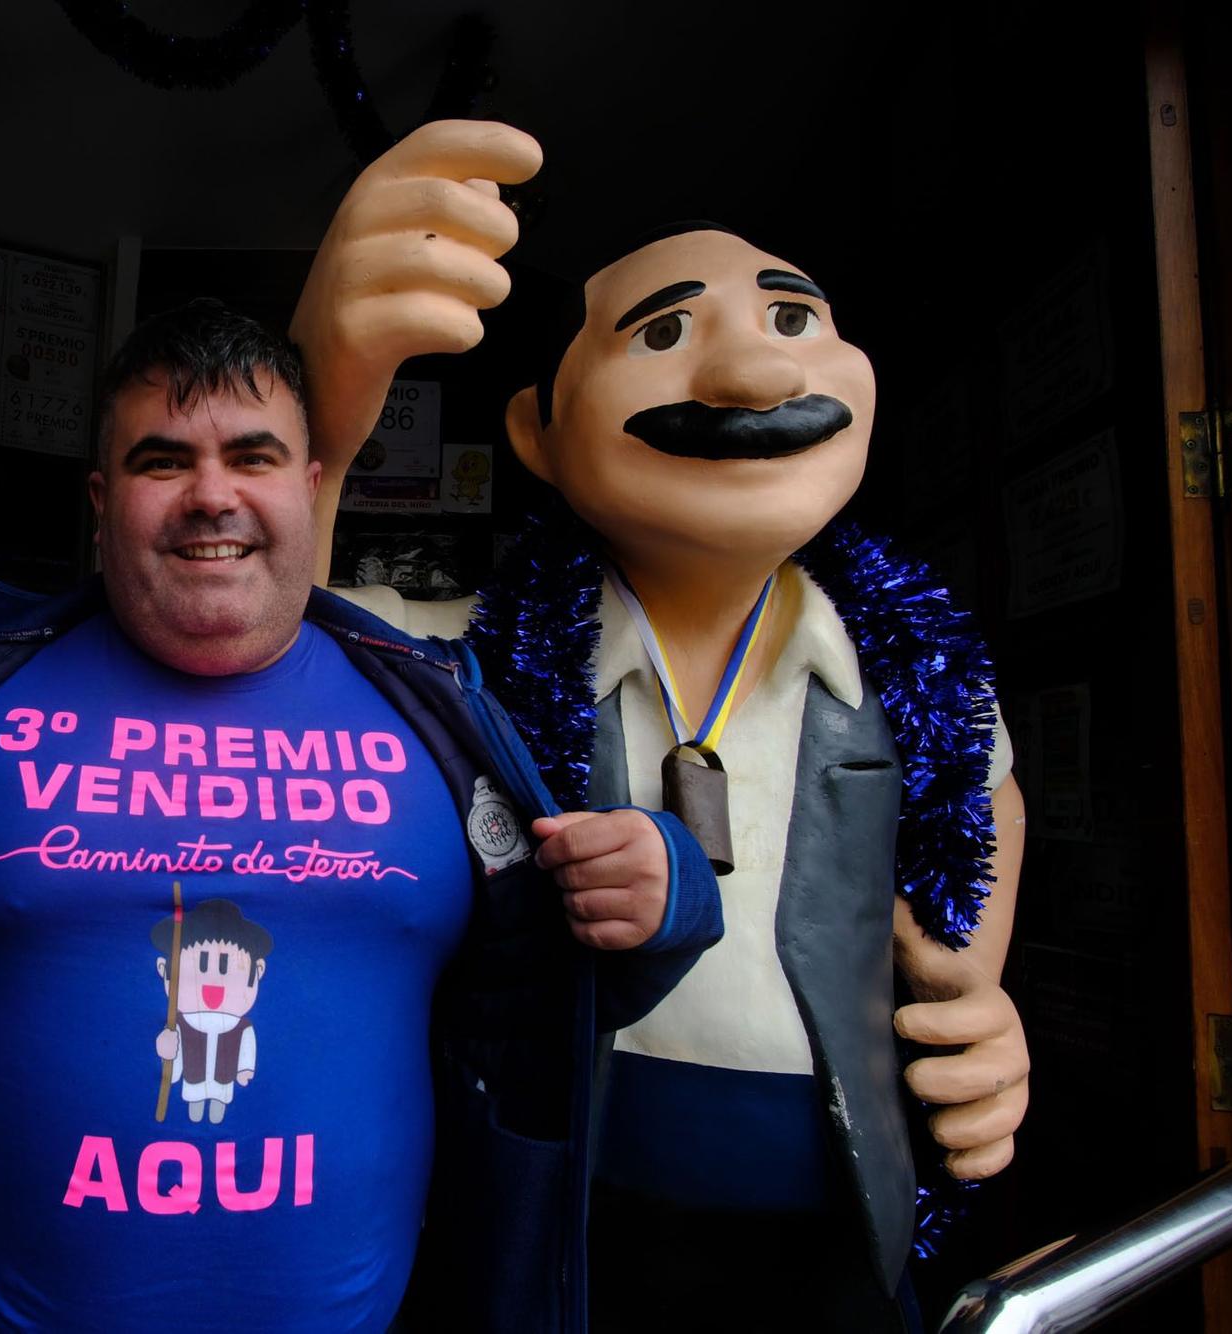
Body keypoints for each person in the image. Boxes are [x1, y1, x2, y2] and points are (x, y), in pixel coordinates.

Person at [0, 300, 724, 1333]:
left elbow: (552, 981)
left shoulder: (435, 707)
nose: (211, 493)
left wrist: (667, 888)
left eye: (252, 455)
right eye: (162, 458)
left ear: (309, 483)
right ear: (101, 500)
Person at [291, 120, 1030, 1329]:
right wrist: (325, 399)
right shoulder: (486, 650)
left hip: (836, 1229)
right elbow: (286, 635)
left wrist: (976, 1009)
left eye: (792, 320)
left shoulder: (920, 670)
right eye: (665, 331)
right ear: (537, 429)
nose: (750, 379)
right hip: (568, 1218)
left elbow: (984, 799)